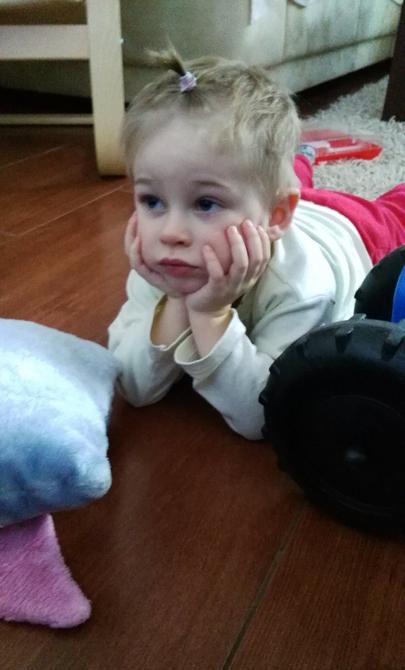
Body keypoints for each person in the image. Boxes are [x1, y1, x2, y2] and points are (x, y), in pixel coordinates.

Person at [108, 47, 405, 440]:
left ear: (277, 217)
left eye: (205, 203)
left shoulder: (301, 287)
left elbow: (264, 414)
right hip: (276, 208)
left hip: (353, 228)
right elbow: (132, 387)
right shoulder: (161, 266)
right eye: (152, 201)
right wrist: (177, 301)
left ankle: (298, 164)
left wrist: (210, 314)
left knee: (397, 209)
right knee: (269, 183)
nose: (170, 232)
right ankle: (300, 160)